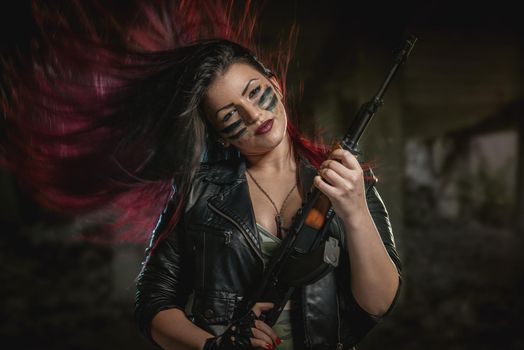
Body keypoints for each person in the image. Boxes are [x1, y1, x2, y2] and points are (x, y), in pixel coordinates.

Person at [134, 39, 402, 350]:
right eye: (230, 115)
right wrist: (216, 346)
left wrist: (355, 210)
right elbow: (153, 303)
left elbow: (379, 304)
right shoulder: (196, 192)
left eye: (254, 92)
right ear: (220, 136)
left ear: (275, 84)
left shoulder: (349, 182)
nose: (253, 115)